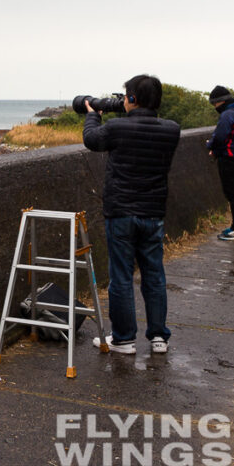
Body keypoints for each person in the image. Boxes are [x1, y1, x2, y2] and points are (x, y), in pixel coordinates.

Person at [82, 75, 181, 355]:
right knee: (154, 275)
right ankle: (159, 337)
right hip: (153, 213)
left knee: (121, 276)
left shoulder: (116, 128)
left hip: (121, 212)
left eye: (126, 96)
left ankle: (124, 339)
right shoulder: (171, 130)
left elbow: (91, 140)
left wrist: (93, 115)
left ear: (133, 99)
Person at [206, 86, 234, 241]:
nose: (215, 108)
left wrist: (210, 146)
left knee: (233, 194)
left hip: (230, 158)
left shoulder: (228, 114)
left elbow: (220, 136)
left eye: (215, 104)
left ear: (221, 101)